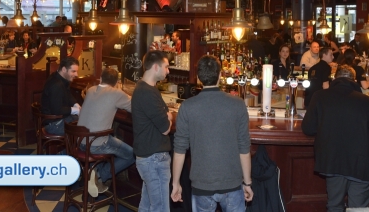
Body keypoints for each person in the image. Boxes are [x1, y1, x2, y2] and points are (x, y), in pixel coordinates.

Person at [171, 55, 253, 210]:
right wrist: (247, 182)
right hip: (232, 183)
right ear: (220, 75)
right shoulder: (238, 104)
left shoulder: (187, 106)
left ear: (198, 78)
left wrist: (175, 183)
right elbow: (244, 148)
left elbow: (180, 149)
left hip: (201, 184)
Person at [302, 65, 369, 212]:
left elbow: (308, 128)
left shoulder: (319, 96)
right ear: (354, 80)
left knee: (334, 206)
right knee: (358, 210)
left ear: (335, 78)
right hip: (362, 164)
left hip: (332, 161)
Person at [77, 68, 133, 198]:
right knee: (131, 154)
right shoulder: (116, 93)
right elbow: (135, 107)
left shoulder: (91, 90)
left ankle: (92, 172)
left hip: (80, 142)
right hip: (96, 143)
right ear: (116, 82)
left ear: (101, 79)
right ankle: (100, 175)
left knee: (109, 139)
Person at [131, 50, 172, 212]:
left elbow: (165, 113)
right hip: (154, 158)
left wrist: (167, 115)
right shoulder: (146, 92)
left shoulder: (148, 88)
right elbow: (166, 128)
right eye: (166, 67)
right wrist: (168, 117)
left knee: (147, 206)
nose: (168, 71)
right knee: (160, 208)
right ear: (156, 67)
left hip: (150, 157)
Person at [40, 57, 81, 135]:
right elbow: (57, 110)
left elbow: (68, 95)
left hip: (56, 120)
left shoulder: (58, 78)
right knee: (85, 124)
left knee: (85, 120)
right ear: (64, 69)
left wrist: (76, 105)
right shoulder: (56, 85)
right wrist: (75, 110)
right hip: (53, 125)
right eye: (73, 71)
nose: (76, 75)